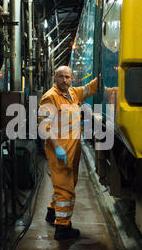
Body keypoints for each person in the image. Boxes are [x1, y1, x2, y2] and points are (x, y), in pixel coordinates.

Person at [38, 66, 98, 240]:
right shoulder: (50, 97)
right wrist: (57, 147)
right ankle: (62, 228)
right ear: (55, 78)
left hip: (73, 150)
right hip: (60, 152)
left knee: (66, 183)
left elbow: (90, 88)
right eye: (61, 77)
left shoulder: (73, 93)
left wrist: (106, 72)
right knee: (66, 190)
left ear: (72, 79)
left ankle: (51, 212)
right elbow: (44, 127)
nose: (64, 80)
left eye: (68, 77)